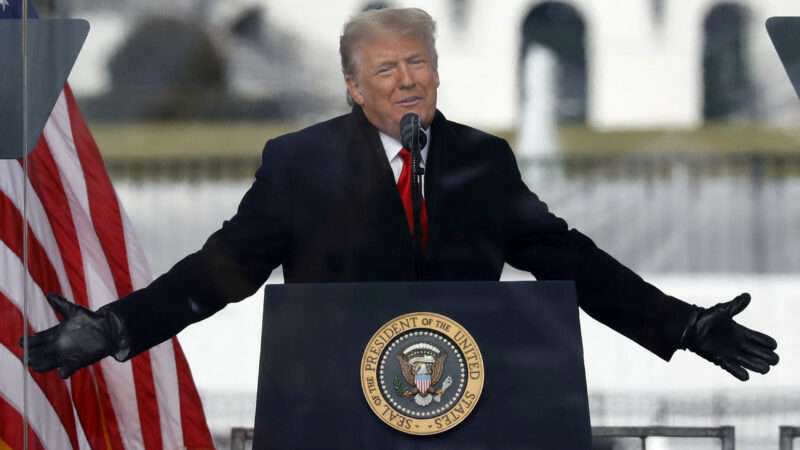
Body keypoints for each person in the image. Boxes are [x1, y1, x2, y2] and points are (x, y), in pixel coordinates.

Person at [23, 7, 778, 382]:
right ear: (353, 86)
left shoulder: (483, 161)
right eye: (385, 69)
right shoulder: (298, 163)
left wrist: (682, 326)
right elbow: (220, 271)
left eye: (418, 63)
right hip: (333, 408)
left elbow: (570, 261)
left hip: (469, 404)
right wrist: (117, 327)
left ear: (438, 71)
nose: (408, 79)